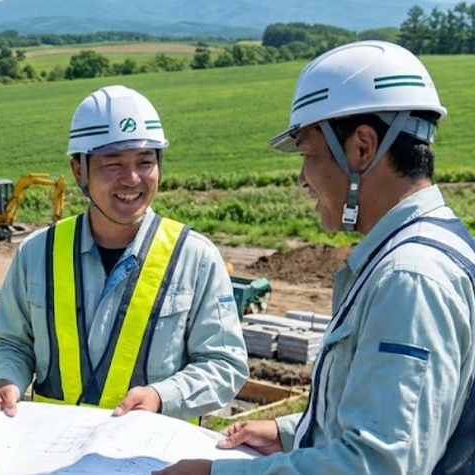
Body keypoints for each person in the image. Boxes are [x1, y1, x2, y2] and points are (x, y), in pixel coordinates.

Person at [157, 41, 475, 475]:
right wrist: (292, 433)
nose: (302, 179)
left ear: (362, 147)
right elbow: (393, 418)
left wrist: (216, 473)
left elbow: (378, 465)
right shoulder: (426, 248)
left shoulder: (410, 278)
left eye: (308, 154)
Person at [0, 85, 248, 423]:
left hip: (153, 452)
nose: (132, 179)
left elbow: (224, 365)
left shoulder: (195, 259)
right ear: (79, 170)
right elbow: (9, 342)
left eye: (145, 162)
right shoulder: (37, 254)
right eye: (113, 164)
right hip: (56, 449)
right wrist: (5, 379)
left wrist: (162, 397)